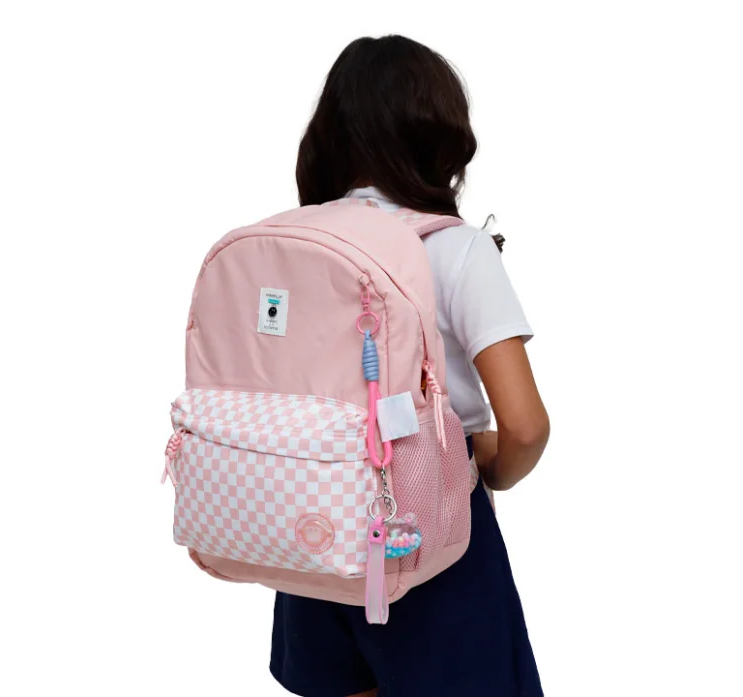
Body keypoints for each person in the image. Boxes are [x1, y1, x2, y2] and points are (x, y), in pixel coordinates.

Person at [270, 35, 550, 697]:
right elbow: (526, 425)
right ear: (441, 135)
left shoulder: (297, 241)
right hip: (431, 540)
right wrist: (487, 465)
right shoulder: (458, 250)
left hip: (313, 534)